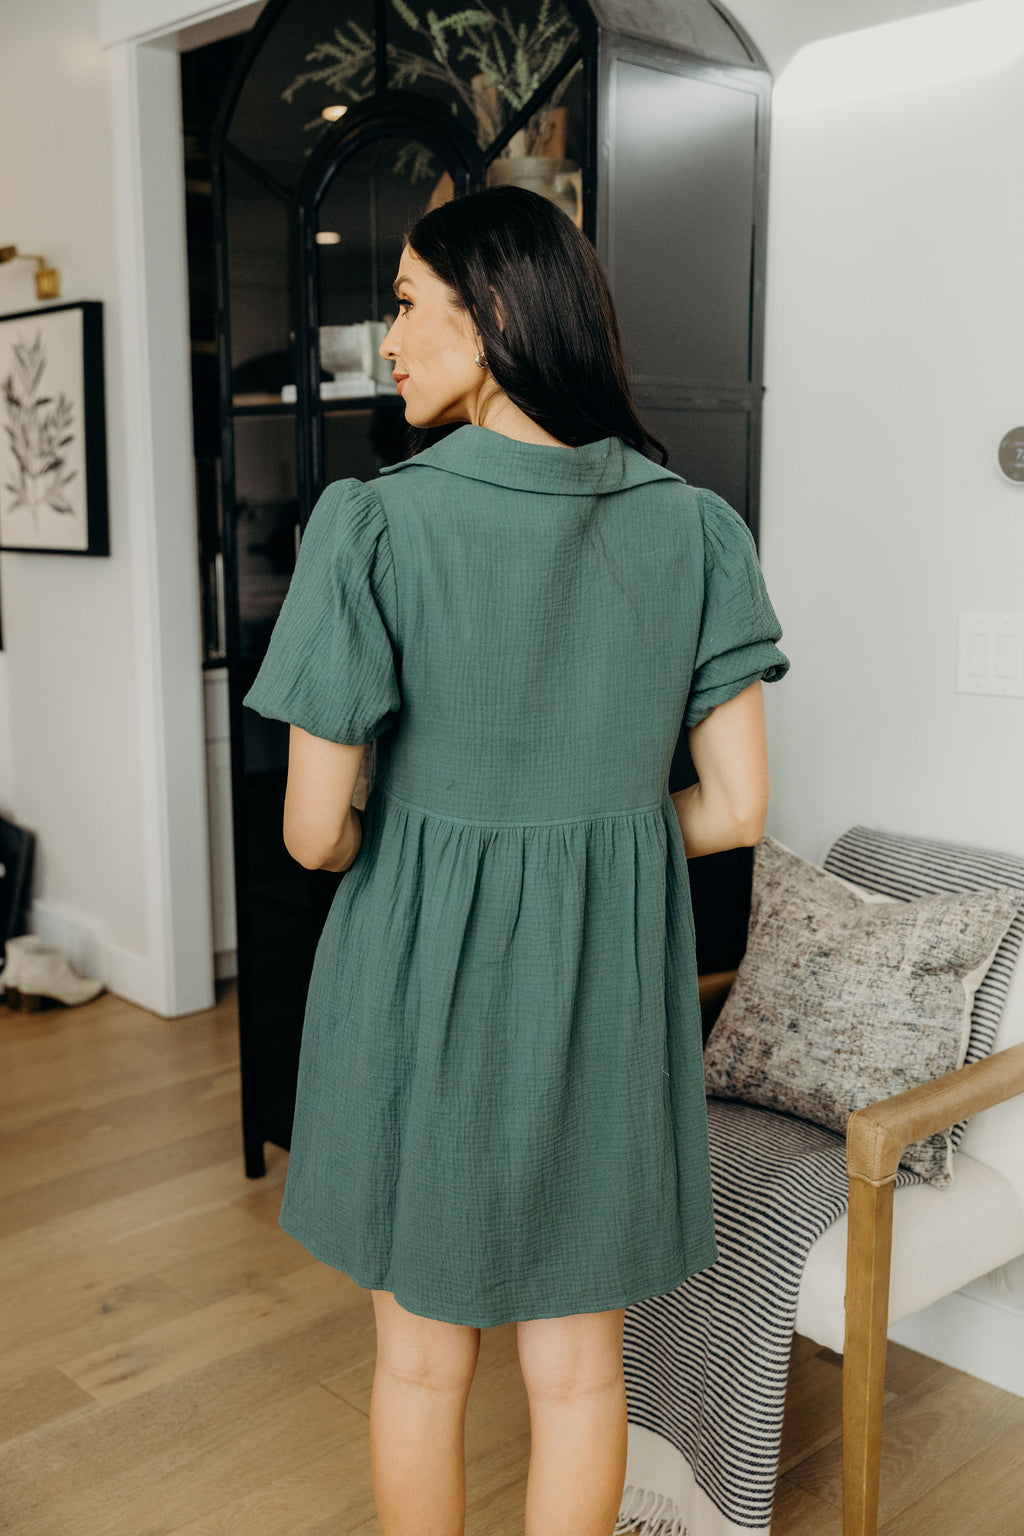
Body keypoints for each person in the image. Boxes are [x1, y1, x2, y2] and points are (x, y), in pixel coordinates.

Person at [242, 183, 790, 1536]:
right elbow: (735, 807)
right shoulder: (695, 525)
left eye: (410, 305)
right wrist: (592, 831)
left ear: (491, 322)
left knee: (424, 1363)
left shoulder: (373, 526)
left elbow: (313, 832)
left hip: (417, 971)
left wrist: (400, 835)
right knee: (579, 1372)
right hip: (605, 979)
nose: (388, 337)